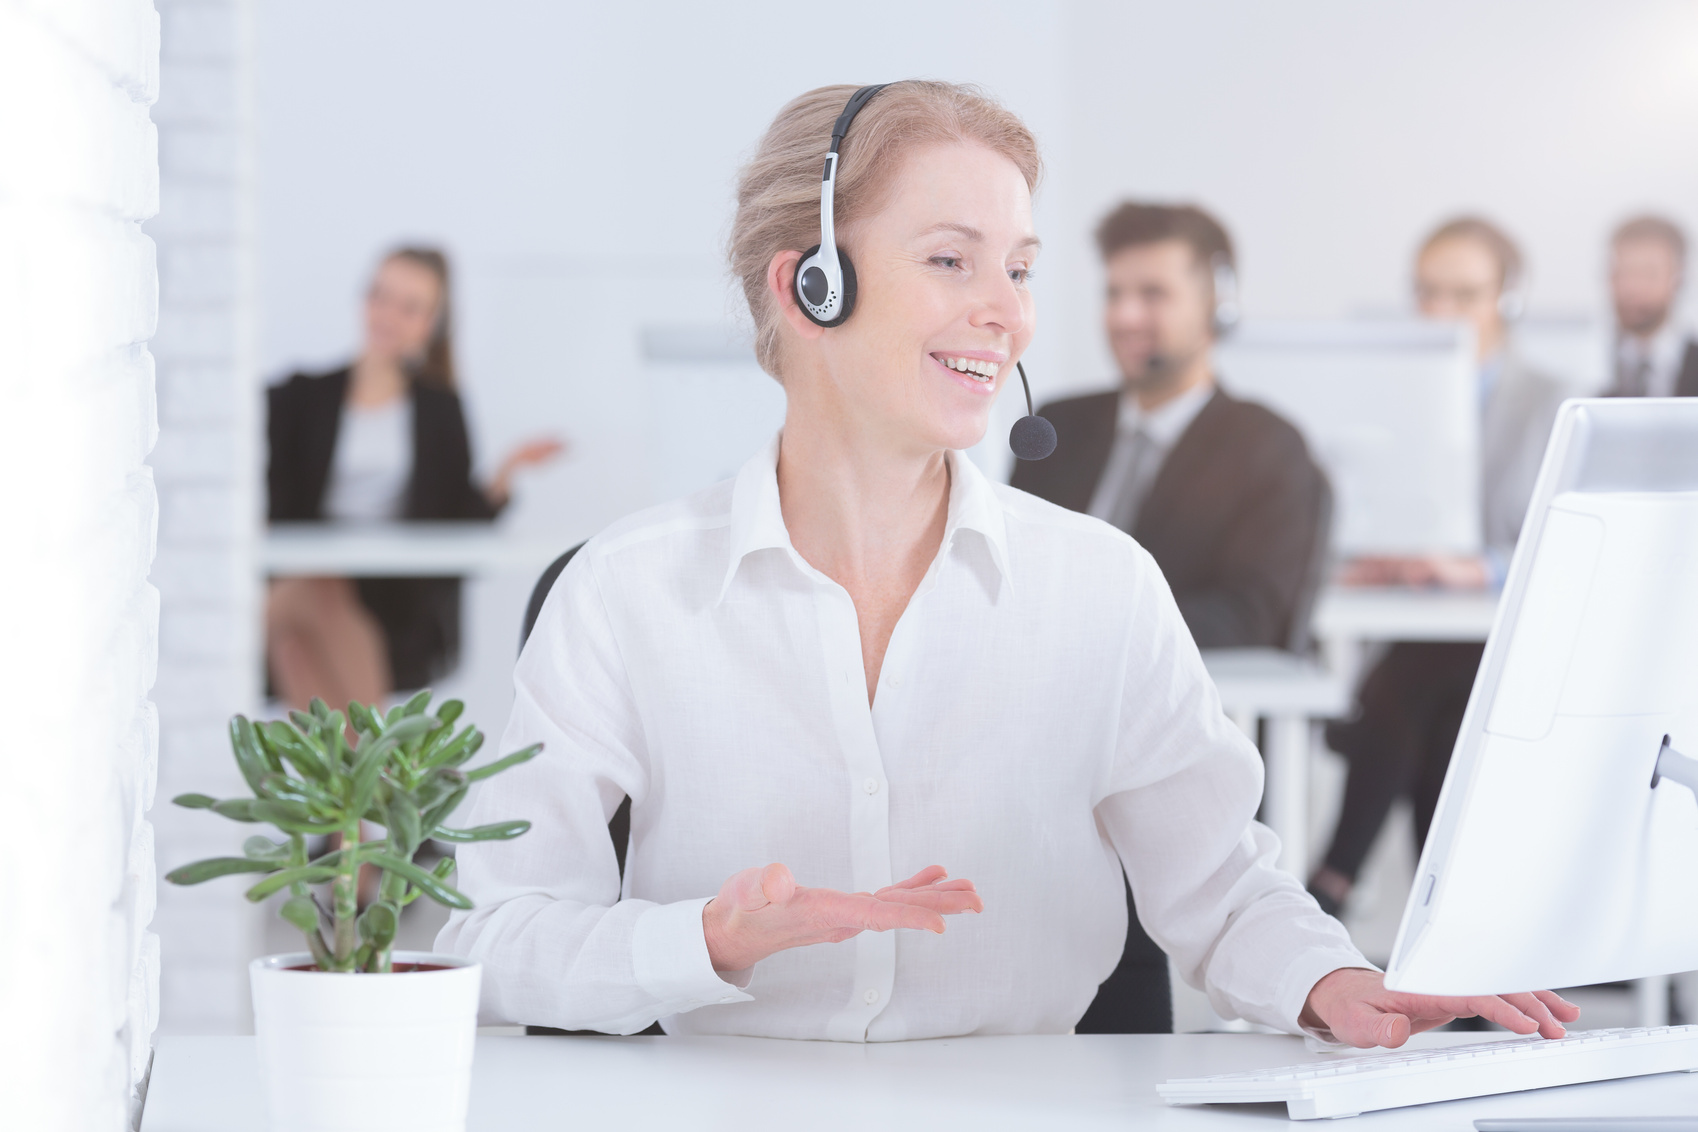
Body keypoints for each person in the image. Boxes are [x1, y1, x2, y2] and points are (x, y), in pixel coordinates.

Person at [438, 82, 1577, 1049]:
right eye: (951, 259)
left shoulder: (1100, 587)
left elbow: (1224, 890)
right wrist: (705, 941)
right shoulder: (625, 593)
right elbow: (490, 935)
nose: (1008, 315)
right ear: (810, 287)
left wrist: (1332, 982)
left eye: (1020, 269)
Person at [1011, 202, 1330, 1033]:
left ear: (1216, 303)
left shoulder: (1267, 446)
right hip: (1029, 733)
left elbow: (1255, 611)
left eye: (1152, 293)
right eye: (1114, 292)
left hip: (1166, 740)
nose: (1124, 315)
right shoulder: (1057, 427)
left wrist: (1100, 629)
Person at [1310, 217, 1567, 916]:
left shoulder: (1554, 399)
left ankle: (1332, 879)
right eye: (1428, 293)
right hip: (1417, 631)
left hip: (1510, 644)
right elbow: (1358, 510)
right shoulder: (1388, 398)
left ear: (1506, 299)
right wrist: (1371, 555)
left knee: (1416, 683)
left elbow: (1569, 543)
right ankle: (1446, 931)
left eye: (1463, 294)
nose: (1442, 313)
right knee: (1438, 697)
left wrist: (1475, 569)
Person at [266, 247, 562, 711]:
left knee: (294, 650)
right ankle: (383, 776)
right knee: (315, 589)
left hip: (389, 599)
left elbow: (454, 522)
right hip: (298, 580)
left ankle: (362, 781)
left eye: (410, 307)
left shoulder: (438, 410)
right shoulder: (300, 397)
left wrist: (504, 475)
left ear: (432, 323)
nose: (389, 315)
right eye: (381, 296)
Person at [1606, 214, 1696, 398]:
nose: (1632, 287)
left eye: (1648, 273)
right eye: (1623, 272)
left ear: (1677, 279)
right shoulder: (1592, 373)